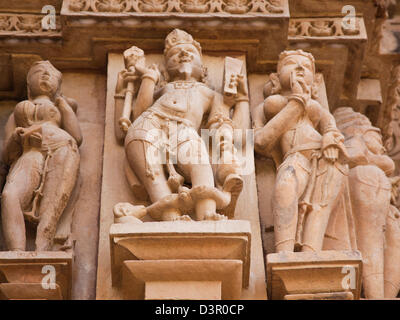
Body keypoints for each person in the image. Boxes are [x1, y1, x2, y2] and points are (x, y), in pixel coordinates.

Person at [115, 29, 248, 221]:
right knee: (153, 176)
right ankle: (170, 219)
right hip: (147, 125)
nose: (184, 55)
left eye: (190, 53)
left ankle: (207, 214)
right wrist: (148, 79)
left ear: (203, 69)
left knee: (200, 165)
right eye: (174, 54)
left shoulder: (210, 94)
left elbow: (238, 135)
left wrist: (241, 98)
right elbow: (136, 115)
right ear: (165, 71)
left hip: (184, 129)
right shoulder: (163, 89)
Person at [253, 50, 347, 252]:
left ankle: (310, 255)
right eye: (291, 64)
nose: (299, 68)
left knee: (319, 209)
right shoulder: (267, 106)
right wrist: (296, 102)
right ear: (275, 79)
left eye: (306, 67)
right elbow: (261, 141)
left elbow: (331, 129)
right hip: (295, 157)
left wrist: (331, 140)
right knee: (284, 189)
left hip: (326, 158)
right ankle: (284, 253)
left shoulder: (319, 107)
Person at [1, 61, 82, 251]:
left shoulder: (61, 104)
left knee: (52, 203)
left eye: (51, 74)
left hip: (61, 148)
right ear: (29, 85)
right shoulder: (20, 108)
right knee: (9, 195)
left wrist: (61, 102)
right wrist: (16, 137)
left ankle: (42, 251)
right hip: (30, 152)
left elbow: (77, 136)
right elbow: (6, 154)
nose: (45, 75)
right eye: (39, 72)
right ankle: (17, 251)